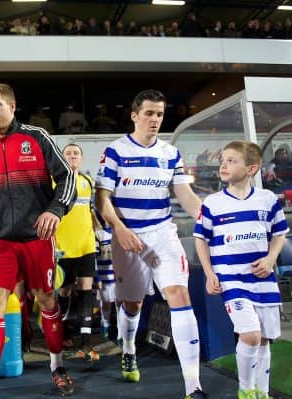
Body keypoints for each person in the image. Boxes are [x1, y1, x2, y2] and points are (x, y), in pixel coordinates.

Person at [95, 89, 207, 399]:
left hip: (162, 234)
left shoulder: (170, 153)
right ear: (134, 115)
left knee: (179, 294)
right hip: (128, 238)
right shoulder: (115, 150)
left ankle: (193, 386)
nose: (155, 119)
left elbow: (185, 195)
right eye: (149, 113)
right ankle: (129, 348)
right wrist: (118, 229)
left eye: (159, 114)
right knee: (133, 304)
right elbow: (101, 199)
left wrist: (210, 218)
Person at [0, 82, 76, 397]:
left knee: (47, 301)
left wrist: (56, 210)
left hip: (37, 239)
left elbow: (67, 177)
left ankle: (57, 365)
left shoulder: (36, 137)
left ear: (12, 106)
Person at [194, 141, 288, 399]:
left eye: (232, 160)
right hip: (231, 279)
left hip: (263, 278)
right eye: (223, 160)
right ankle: (245, 389)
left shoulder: (267, 199)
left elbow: (280, 234)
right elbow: (200, 239)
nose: (223, 165)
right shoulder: (212, 203)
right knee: (250, 334)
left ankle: (262, 391)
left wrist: (270, 258)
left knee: (265, 339)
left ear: (251, 168)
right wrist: (210, 273)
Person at [54, 143, 99, 363]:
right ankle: (59, 334)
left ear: (81, 158)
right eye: (68, 153)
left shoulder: (88, 182)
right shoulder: (54, 182)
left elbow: (90, 212)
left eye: (76, 153)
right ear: (62, 158)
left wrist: (101, 231)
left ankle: (86, 340)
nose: (72, 156)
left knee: (86, 290)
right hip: (62, 248)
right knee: (63, 292)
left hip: (86, 245)